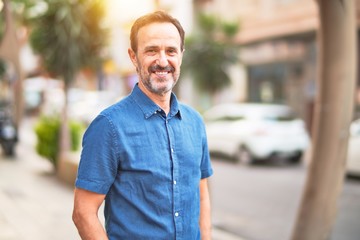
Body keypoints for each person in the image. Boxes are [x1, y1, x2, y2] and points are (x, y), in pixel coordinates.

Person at [72, 10, 213, 240]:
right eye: (151, 50)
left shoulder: (195, 122)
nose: (162, 61)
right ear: (134, 56)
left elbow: (202, 194)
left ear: (181, 55)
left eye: (171, 51)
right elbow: (83, 212)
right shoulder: (108, 127)